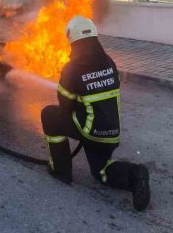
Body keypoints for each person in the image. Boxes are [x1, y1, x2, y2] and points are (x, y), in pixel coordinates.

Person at [40, 15, 151, 211]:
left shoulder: (72, 68)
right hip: (111, 132)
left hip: (90, 130)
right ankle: (135, 175)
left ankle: (61, 169)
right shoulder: (109, 61)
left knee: (49, 115)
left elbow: (64, 106)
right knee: (101, 171)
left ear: (72, 40)